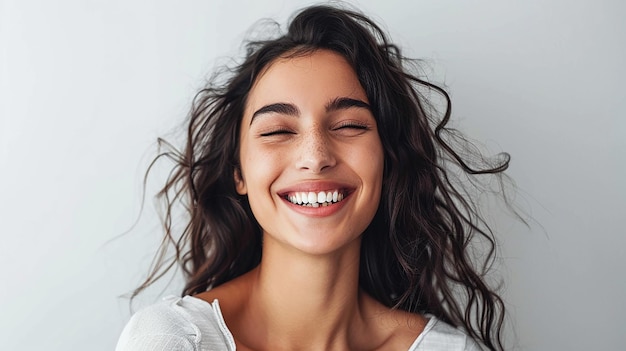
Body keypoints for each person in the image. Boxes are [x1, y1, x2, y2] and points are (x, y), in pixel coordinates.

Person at [116, 4, 513, 351]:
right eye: (278, 131)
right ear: (239, 173)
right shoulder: (172, 340)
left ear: (387, 160)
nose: (315, 157)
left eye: (348, 125)